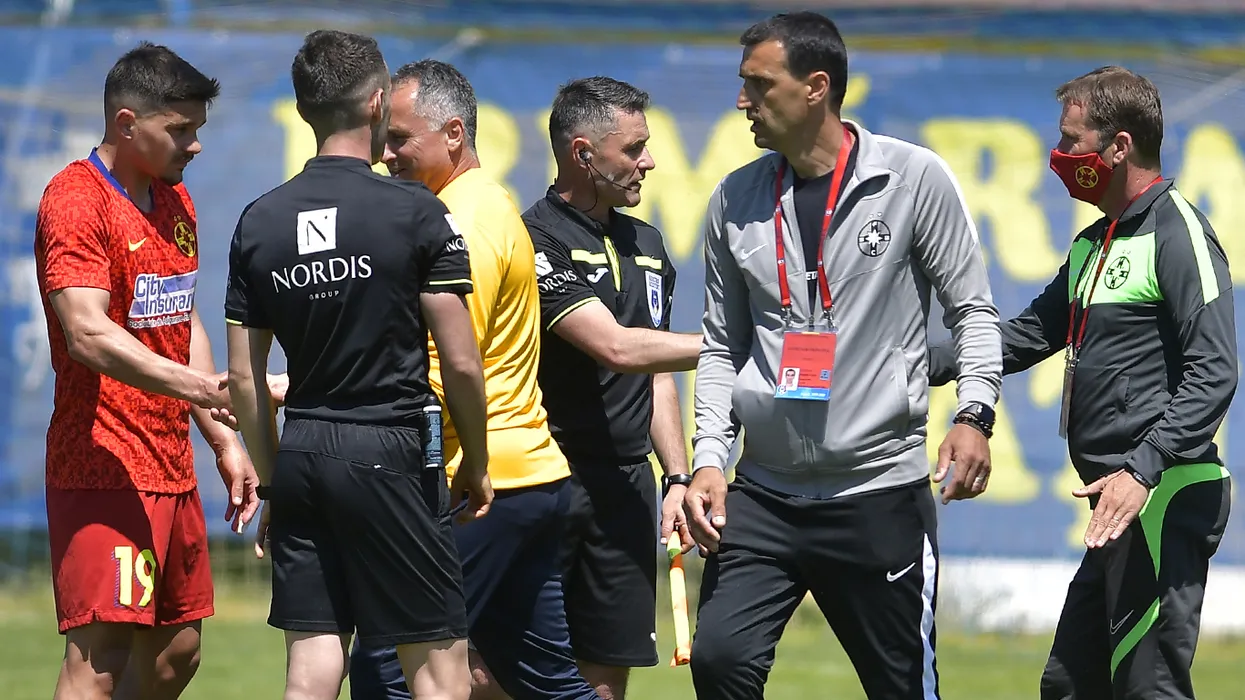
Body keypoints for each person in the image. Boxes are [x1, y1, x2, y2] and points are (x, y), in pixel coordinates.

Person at [684, 12, 1002, 700]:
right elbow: (721, 347)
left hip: (877, 490)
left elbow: (974, 314)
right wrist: (709, 458)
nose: (742, 102)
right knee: (719, 661)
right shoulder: (734, 198)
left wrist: (974, 413)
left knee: (902, 688)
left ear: (815, 87)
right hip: (764, 492)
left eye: (759, 85)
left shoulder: (912, 179)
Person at [929, 66, 1236, 700]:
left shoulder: (1179, 232)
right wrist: (894, 359)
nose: (1059, 156)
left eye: (1072, 141)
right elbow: (1018, 338)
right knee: (1070, 686)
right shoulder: (1092, 246)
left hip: (1159, 495)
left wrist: (1142, 469)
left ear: (1119, 147)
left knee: (1150, 687)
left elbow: (1215, 370)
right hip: (1118, 504)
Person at [223, 30, 492, 700]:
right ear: (377, 104)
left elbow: (246, 381)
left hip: (303, 454)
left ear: (304, 109)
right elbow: (461, 363)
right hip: (392, 451)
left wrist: (274, 482)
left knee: (311, 667)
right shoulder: (417, 211)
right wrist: (478, 459)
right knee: (440, 672)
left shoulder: (258, 221)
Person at [348, 59, 600, 700]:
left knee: (387, 667)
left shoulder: (464, 224)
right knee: (547, 682)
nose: (384, 155)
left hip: (481, 486)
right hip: (526, 480)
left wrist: (330, 401)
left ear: (454, 134)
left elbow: (446, 365)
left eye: (399, 139)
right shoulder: (477, 206)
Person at [34, 42, 260, 700]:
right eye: (180, 129)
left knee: (176, 654)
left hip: (169, 464)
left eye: (198, 129)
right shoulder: (75, 199)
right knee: (98, 658)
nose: (196, 146)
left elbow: (179, 319)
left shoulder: (174, 200)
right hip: (101, 463)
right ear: (127, 123)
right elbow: (86, 333)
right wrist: (210, 390)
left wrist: (222, 436)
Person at [516, 76, 700, 700]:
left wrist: (676, 476)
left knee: (604, 680)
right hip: (544, 480)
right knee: (494, 673)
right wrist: (746, 344)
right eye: (634, 149)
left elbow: (656, 369)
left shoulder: (647, 242)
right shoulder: (533, 238)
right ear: (584, 153)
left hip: (626, 490)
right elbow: (616, 348)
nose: (649, 162)